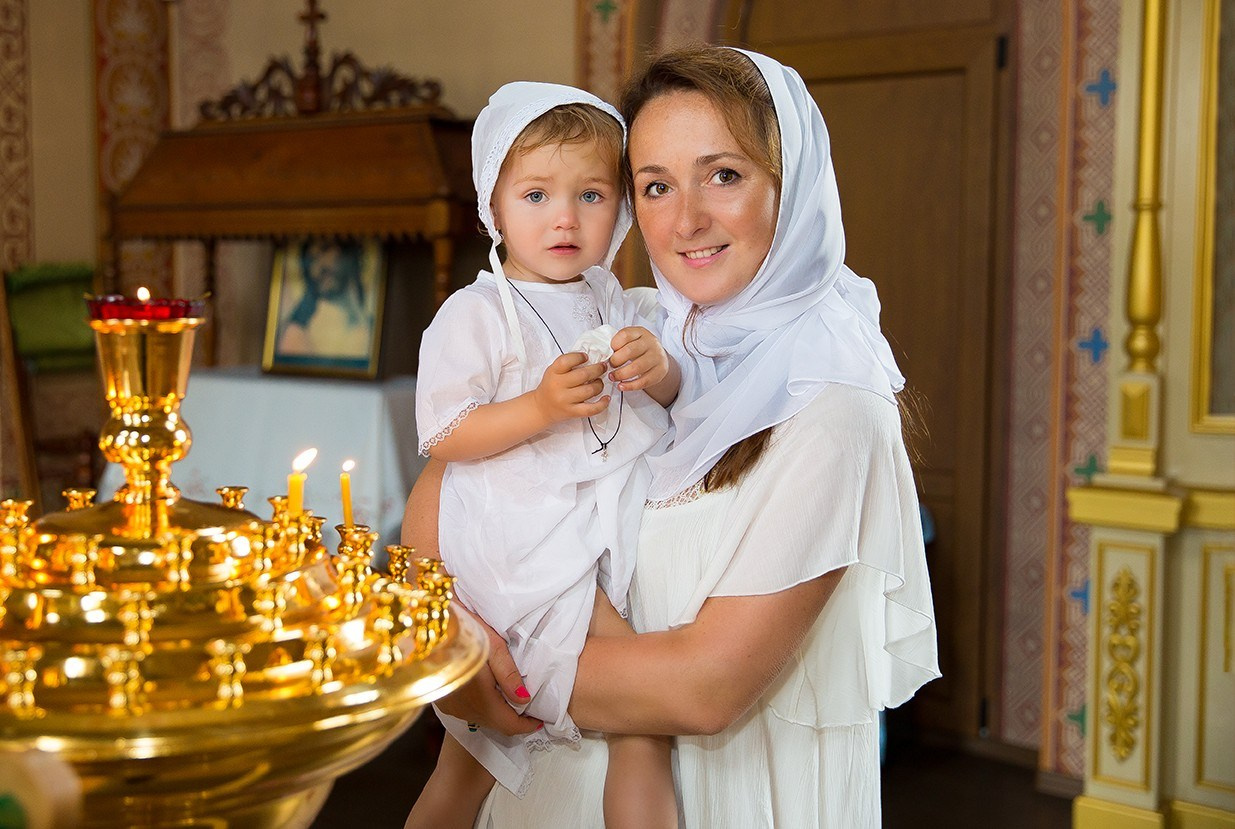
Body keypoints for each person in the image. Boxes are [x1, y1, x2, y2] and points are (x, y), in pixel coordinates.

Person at [407, 46, 941, 827]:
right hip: (545, 792)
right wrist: (446, 629)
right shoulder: (644, 332)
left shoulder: (833, 406)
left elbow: (703, 686)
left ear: (791, 187)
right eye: (656, 185)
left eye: (723, 174)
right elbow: (444, 486)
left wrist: (475, 669)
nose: (684, 218)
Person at [404, 82, 681, 829]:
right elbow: (444, 433)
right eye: (534, 195)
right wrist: (539, 406)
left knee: (465, 767)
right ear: (492, 207)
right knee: (646, 717)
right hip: (519, 531)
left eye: (590, 195)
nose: (564, 217)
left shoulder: (612, 299)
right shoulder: (477, 310)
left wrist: (658, 370)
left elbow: (666, 398)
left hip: (586, 520)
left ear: (619, 209)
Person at [276, 239, 373, 359]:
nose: (320, 266)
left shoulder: (369, 326)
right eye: (312, 259)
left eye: (325, 250)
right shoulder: (296, 331)